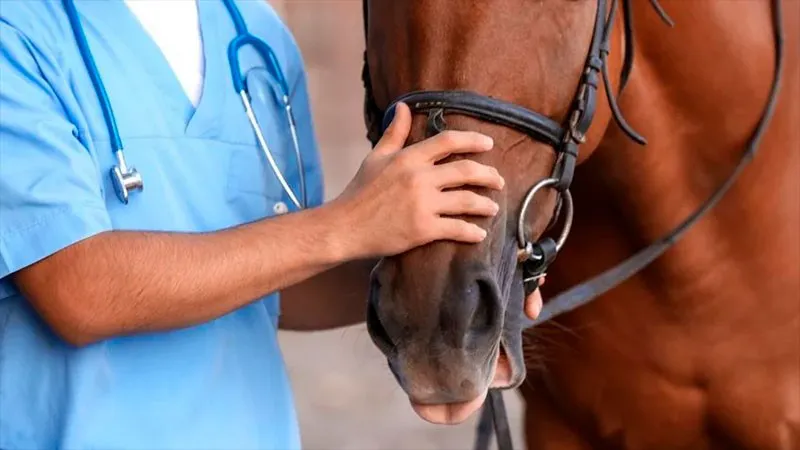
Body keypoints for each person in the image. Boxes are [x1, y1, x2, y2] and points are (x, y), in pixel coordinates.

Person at [0, 1, 546, 448]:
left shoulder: (257, 38)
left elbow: (281, 280)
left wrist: (442, 282)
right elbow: (77, 290)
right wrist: (347, 225)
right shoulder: (18, 31)